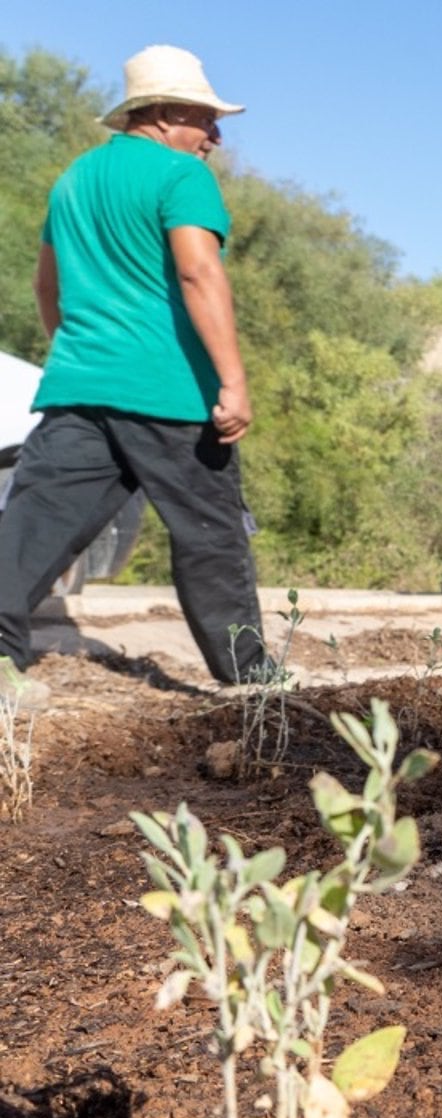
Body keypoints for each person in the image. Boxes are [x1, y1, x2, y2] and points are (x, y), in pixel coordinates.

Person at [0, 45, 264, 706]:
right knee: (212, 536)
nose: (216, 134)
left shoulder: (75, 179)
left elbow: (46, 286)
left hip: (78, 388)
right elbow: (199, 272)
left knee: (31, 528)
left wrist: (81, 352)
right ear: (166, 113)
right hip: (169, 391)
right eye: (206, 118)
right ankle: (254, 685)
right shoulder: (181, 177)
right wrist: (231, 380)